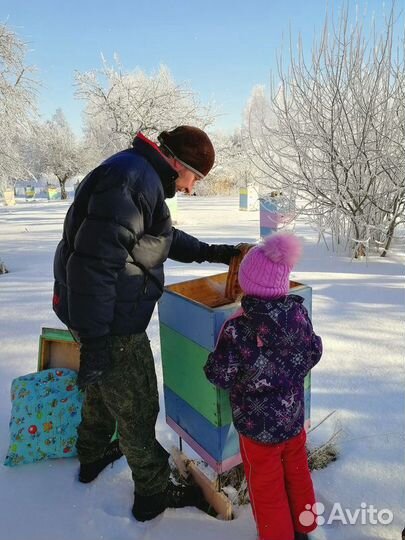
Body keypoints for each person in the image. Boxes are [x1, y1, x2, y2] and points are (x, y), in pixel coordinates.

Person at [52, 125, 239, 521]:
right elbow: (95, 264)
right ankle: (152, 494)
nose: (191, 188)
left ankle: (93, 452)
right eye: (195, 178)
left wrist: (218, 253)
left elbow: (161, 238)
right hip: (112, 320)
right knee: (137, 405)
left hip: (95, 313)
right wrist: (98, 340)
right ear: (178, 163)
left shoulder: (137, 174)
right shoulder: (133, 181)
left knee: (107, 389)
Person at [204, 233, 323, 540]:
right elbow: (313, 352)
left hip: (257, 429)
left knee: (266, 486)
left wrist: (210, 363)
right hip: (293, 418)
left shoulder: (237, 327)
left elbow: (221, 375)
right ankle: (305, 527)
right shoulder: (298, 314)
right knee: (298, 472)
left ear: (247, 284)